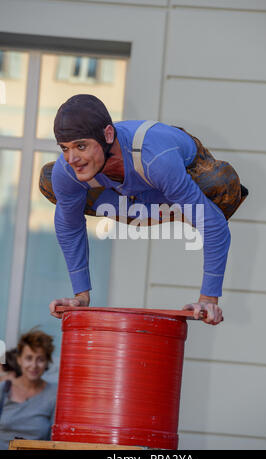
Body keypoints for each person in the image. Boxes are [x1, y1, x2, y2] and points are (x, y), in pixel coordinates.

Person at [40, 94, 248, 325]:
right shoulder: (68, 169)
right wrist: (81, 296)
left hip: (174, 185)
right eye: (65, 148)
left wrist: (208, 299)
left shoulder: (157, 159)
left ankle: (185, 208)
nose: (72, 158)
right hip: (132, 201)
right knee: (51, 178)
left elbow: (214, 226)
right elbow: (69, 228)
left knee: (221, 180)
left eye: (81, 146)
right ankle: (152, 206)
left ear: (108, 134)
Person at [0, 329, 57, 450]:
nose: (34, 365)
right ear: (19, 359)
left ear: (47, 362)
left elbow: (54, 440)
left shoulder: (54, 395)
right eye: (29, 358)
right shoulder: (3, 389)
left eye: (40, 359)